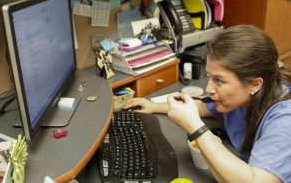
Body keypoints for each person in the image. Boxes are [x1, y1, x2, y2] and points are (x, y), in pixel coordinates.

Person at [123, 25, 291, 183]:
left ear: (255, 84)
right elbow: (203, 106)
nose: (209, 89)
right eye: (209, 76)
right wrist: (154, 107)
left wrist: (196, 128)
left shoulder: (285, 119)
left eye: (218, 80)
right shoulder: (239, 96)